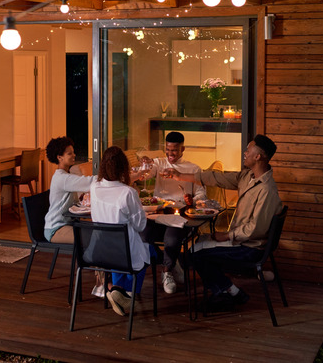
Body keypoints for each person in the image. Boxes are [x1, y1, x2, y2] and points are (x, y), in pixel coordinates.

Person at [161, 134, 283, 309]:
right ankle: (229, 291)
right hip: (242, 240)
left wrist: (226, 235)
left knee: (195, 255)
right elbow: (217, 178)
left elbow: (255, 229)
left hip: (249, 247)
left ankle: (229, 292)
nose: (245, 153)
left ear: (258, 156)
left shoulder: (266, 190)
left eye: (248, 150)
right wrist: (181, 175)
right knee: (198, 244)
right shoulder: (247, 177)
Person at [141, 131, 206, 294]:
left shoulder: (193, 168)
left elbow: (202, 194)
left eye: (175, 150)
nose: (170, 154)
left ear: (183, 149)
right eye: (168, 150)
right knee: (142, 236)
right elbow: (146, 173)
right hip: (158, 213)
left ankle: (166, 271)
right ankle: (171, 261)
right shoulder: (159, 163)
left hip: (179, 215)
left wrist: (192, 199)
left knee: (171, 240)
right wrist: (146, 164)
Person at [89, 146, 152, 316]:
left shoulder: (94, 187)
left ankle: (117, 290)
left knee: (121, 251)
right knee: (148, 252)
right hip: (124, 253)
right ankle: (128, 295)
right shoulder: (128, 193)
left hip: (101, 251)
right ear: (124, 167)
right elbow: (140, 225)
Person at [44, 137, 106, 297]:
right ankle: (101, 284)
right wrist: (111, 177)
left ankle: (104, 279)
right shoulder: (63, 178)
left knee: (99, 233)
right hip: (56, 228)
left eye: (73, 152)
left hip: (67, 223)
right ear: (59, 157)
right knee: (96, 238)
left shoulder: (65, 175)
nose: (74, 155)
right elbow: (91, 181)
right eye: (69, 153)